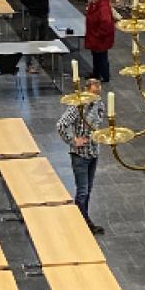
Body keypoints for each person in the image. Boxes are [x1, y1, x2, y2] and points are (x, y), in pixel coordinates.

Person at [56, 78, 107, 235]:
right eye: (93, 92)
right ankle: (82, 223)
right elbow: (61, 124)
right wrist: (72, 140)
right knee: (83, 190)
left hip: (93, 152)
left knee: (88, 189)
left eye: (98, 92)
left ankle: (84, 219)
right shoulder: (77, 107)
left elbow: (96, 123)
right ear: (86, 90)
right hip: (80, 154)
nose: (96, 95)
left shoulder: (100, 105)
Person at [18, 0, 54, 74]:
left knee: (43, 39)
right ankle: (29, 63)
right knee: (32, 40)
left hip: (44, 15)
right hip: (34, 16)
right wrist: (29, 5)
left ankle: (41, 59)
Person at [85, 0, 116, 82]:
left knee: (102, 57)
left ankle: (105, 76)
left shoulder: (103, 7)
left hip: (100, 38)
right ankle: (96, 74)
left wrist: (98, 34)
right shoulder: (95, 5)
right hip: (94, 36)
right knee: (96, 56)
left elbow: (106, 23)